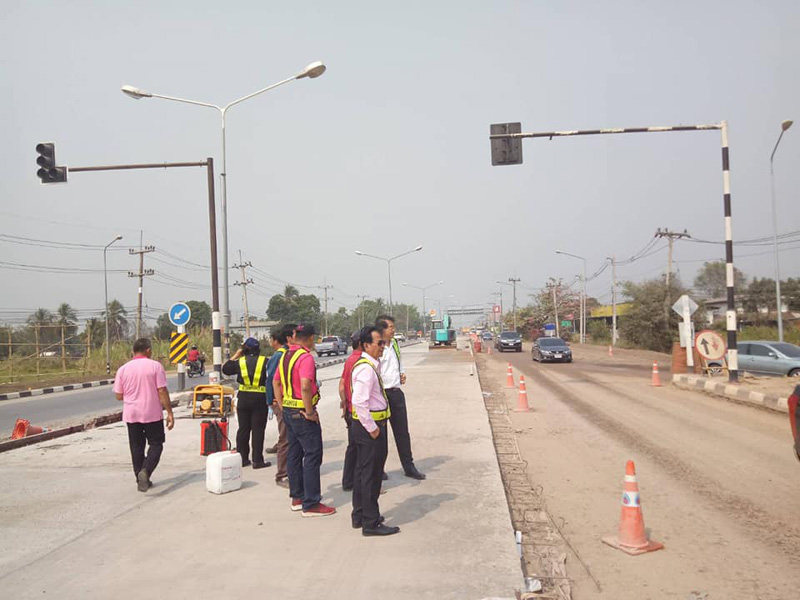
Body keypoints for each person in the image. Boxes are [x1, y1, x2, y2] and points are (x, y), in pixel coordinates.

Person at [273, 323, 335, 517]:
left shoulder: (285, 356)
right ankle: (311, 503)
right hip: (302, 413)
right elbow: (306, 385)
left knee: (294, 454)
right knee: (312, 455)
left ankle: (297, 497)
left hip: (289, 411)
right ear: (309, 338)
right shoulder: (305, 357)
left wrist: (283, 405)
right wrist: (309, 412)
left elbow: (276, 382)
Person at [350, 326, 400, 536]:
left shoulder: (371, 365)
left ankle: (361, 515)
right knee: (371, 475)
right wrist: (372, 429)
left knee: (363, 472)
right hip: (370, 428)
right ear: (366, 345)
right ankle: (370, 523)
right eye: (379, 343)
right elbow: (359, 402)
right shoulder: (366, 369)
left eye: (383, 343)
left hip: (371, 425)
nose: (383, 347)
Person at [114, 338, 175, 492]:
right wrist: (169, 412)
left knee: (136, 446)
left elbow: (119, 395)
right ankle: (146, 471)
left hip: (131, 414)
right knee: (156, 444)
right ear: (148, 350)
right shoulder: (155, 366)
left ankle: (140, 479)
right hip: (151, 413)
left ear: (133, 351)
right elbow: (162, 390)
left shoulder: (123, 369)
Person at [376, 315, 425, 480]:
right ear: (382, 329)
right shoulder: (376, 347)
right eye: (390, 327)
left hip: (396, 393)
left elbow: (398, 362)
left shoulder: (395, 344)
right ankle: (379, 469)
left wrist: (401, 373)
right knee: (381, 435)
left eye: (393, 326)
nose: (393, 330)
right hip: (381, 395)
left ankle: (409, 466)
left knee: (402, 432)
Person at [223, 337, 270, 469]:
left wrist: (236, 355)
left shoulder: (240, 362)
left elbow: (225, 369)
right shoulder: (265, 361)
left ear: (244, 349)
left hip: (244, 398)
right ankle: (257, 460)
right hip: (260, 398)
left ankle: (242, 459)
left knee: (243, 429)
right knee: (258, 430)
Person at [266, 324, 296, 488]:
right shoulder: (280, 355)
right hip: (281, 402)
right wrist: (273, 400)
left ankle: (292, 471)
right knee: (285, 439)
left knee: (291, 439)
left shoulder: (290, 354)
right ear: (289, 338)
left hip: (289, 402)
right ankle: (282, 475)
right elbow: (271, 380)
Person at [339, 330, 364, 491]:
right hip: (359, 412)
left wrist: (344, 404)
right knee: (363, 450)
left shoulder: (350, 360)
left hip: (350, 409)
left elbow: (342, 385)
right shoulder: (362, 361)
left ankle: (348, 481)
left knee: (353, 447)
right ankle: (361, 483)